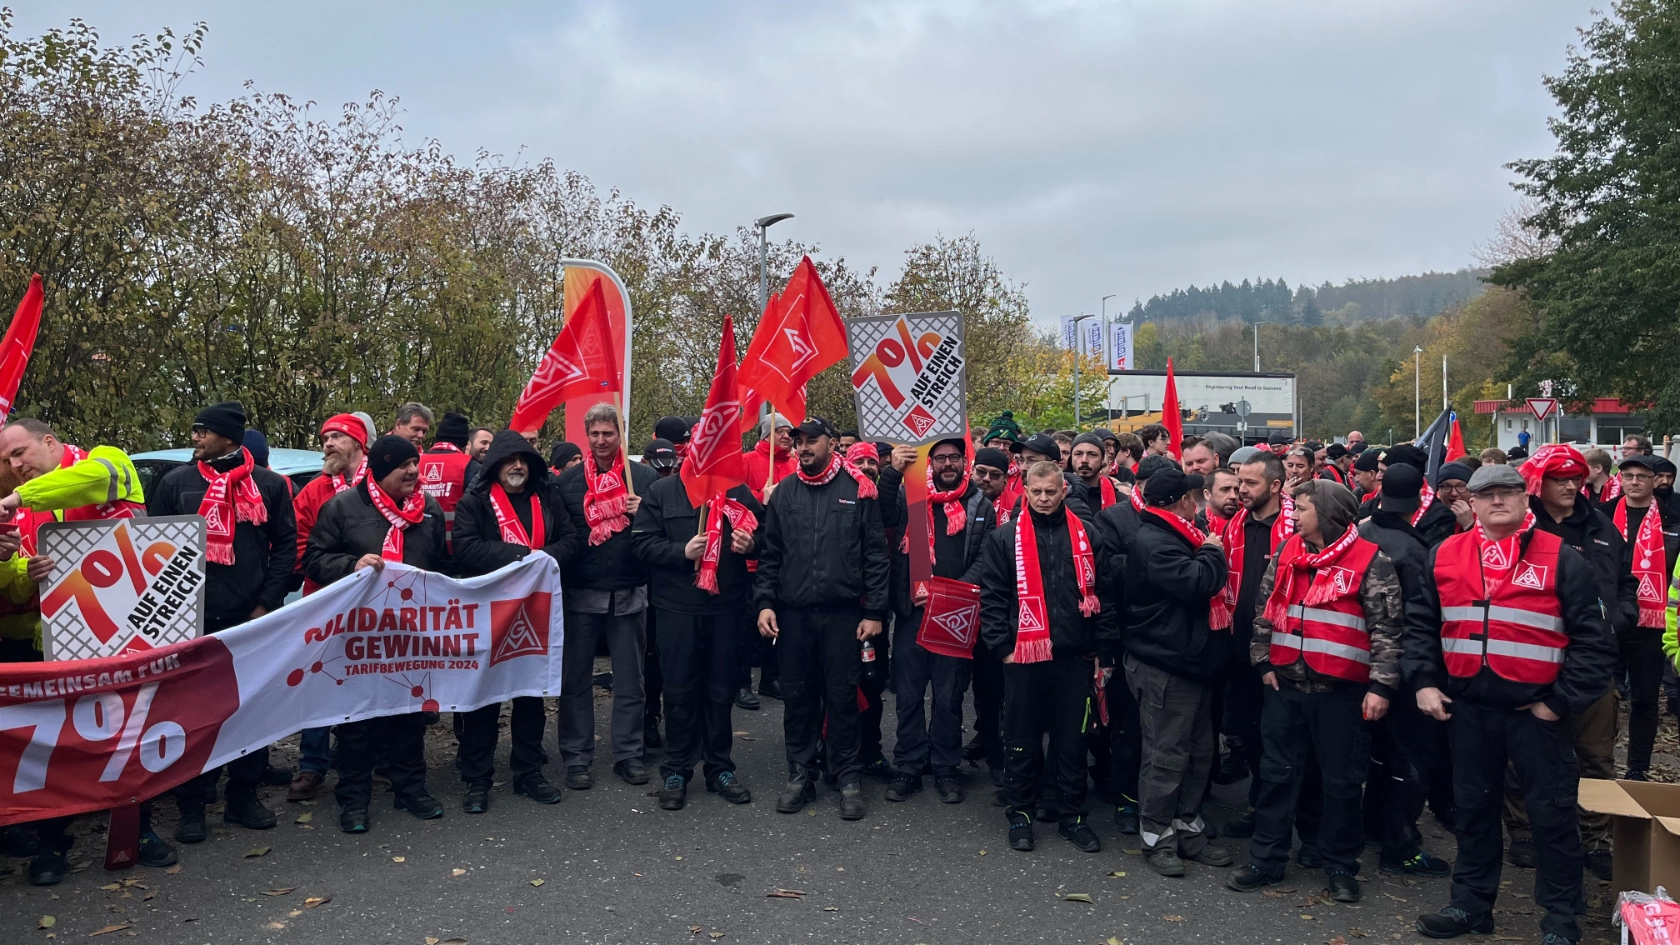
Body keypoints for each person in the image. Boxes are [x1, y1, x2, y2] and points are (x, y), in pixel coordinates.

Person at [1403, 464, 1615, 944]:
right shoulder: (1443, 555)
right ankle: (1470, 906)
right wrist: (1422, 682)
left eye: (1508, 493)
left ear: (1525, 499)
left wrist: (1558, 703)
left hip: (1537, 714)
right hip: (1469, 710)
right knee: (1473, 813)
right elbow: (1420, 626)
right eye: (1487, 494)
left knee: (1552, 816)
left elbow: (1594, 642)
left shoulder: (1563, 558)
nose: (1497, 501)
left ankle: (1561, 920)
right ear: (1471, 504)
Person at [0, 419, 171, 883]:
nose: (14, 467)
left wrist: (20, 497)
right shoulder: (24, 515)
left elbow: (96, 482)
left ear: (51, 442)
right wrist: (15, 568)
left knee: (130, 738)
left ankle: (142, 832)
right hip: (56, 649)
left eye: (20, 453)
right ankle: (52, 845)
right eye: (7, 462)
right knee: (56, 750)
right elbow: (15, 587)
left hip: (127, 642)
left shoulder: (107, 460)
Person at [1227, 481, 1402, 903]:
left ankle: (1339, 865)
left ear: (1325, 514)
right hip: (1285, 685)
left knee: (1341, 784)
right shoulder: (1288, 551)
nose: (1294, 516)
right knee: (1276, 776)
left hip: (1341, 693)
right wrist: (1263, 660)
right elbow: (1265, 608)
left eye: (1301, 509)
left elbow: (1388, 629)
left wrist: (1381, 686)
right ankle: (1266, 860)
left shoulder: (1371, 560)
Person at [148, 402, 297, 842]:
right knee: (191, 719)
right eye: (194, 430)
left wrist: (266, 605)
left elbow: (286, 547)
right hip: (188, 623)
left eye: (203, 432)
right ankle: (192, 806)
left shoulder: (269, 485)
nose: (195, 437)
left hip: (249, 621)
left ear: (229, 438)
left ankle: (243, 799)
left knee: (250, 711)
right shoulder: (176, 483)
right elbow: (149, 547)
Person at [304, 435, 450, 833]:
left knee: (409, 718)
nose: (413, 472)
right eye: (404, 465)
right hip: (359, 637)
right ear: (383, 467)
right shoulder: (343, 507)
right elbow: (313, 558)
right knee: (358, 724)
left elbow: (443, 566)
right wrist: (351, 565)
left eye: (415, 465)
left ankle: (411, 790)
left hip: (411, 636)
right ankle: (353, 800)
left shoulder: (429, 510)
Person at [1501, 445, 1629, 881]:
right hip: (1531, 661)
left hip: (1593, 662)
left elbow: (1626, 581)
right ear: (1540, 483)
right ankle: (1521, 830)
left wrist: (1619, 618)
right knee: (1523, 755)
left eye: (1576, 478)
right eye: (1561, 478)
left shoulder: (1601, 527)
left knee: (1595, 755)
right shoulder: (1518, 528)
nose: (1572, 486)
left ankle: (1595, 836)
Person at [974, 458, 1114, 853]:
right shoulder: (1004, 538)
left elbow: (1105, 598)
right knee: (1021, 738)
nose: (1043, 499)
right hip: (1023, 657)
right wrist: (1002, 649)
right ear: (1026, 492)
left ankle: (1073, 816)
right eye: (1036, 492)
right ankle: (1020, 813)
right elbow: (994, 598)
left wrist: (1104, 651)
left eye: (1051, 491)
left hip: (1074, 657)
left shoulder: (1087, 534)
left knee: (1073, 741)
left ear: (1063, 490)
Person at [755, 418, 890, 821]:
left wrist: (875, 612)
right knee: (798, 698)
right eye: (798, 441)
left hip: (842, 615)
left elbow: (875, 556)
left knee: (843, 697)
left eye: (811, 440)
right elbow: (771, 555)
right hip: (794, 616)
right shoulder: (785, 494)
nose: (803, 447)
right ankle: (800, 774)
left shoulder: (859, 490)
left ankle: (847, 776)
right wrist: (764, 602)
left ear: (831, 443)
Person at [451, 431, 581, 812]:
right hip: (489, 615)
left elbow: (574, 540)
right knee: (483, 700)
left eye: (525, 461)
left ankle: (528, 773)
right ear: (496, 465)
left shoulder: (547, 496)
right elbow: (465, 547)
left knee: (530, 697)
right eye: (511, 461)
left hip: (537, 613)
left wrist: (545, 557)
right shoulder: (475, 501)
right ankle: (477, 780)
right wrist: (522, 556)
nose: (518, 467)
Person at [630, 447, 761, 811]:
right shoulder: (662, 491)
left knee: (720, 690)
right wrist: (680, 551)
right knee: (679, 690)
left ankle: (720, 767)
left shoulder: (738, 493)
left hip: (727, 608)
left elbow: (767, 539)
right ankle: (677, 768)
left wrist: (753, 544)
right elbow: (641, 543)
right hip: (677, 610)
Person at [1124, 465, 1233, 876]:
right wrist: (1212, 550)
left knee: (1200, 752)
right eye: (1196, 498)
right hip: (1166, 664)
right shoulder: (1156, 541)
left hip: (1192, 663)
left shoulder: (1171, 533)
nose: (1200, 505)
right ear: (1183, 501)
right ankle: (1157, 834)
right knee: (1166, 755)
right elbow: (1198, 583)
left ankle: (1188, 823)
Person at [879, 437, 994, 804]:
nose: (947, 464)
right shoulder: (910, 495)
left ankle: (945, 766)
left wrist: (953, 592)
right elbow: (881, 512)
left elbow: (985, 557)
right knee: (909, 695)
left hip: (954, 614)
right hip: (912, 612)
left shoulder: (979, 504)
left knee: (949, 696)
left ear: (964, 462)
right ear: (931, 463)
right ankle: (909, 765)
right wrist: (891, 472)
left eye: (954, 458)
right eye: (940, 457)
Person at [554, 403, 660, 789]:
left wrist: (645, 512)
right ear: (587, 436)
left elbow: (663, 532)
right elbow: (560, 536)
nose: (601, 441)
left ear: (621, 434)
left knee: (631, 681)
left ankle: (629, 754)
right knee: (575, 681)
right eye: (595, 434)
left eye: (608, 434)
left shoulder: (645, 480)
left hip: (631, 589)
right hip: (581, 592)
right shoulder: (566, 484)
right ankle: (577, 758)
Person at [1356, 464, 1454, 879]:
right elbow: (1416, 620)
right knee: (1408, 760)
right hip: (1399, 667)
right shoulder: (1414, 551)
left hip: (1362, 662)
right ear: (1420, 500)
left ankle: (1373, 826)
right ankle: (1400, 844)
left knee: (1378, 756)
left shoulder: (1360, 534)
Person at [287, 412, 371, 802]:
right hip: (322, 599)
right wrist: (342, 571)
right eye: (325, 437)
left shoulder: (378, 485)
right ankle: (312, 765)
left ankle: (370, 759)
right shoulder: (312, 492)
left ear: (358, 443)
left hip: (374, 603)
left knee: (369, 675)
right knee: (318, 680)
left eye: (337, 437)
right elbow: (300, 547)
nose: (328, 444)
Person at [1212, 451, 1292, 833]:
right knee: (1250, 735)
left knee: (1280, 739)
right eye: (1238, 482)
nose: (1240, 491)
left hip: (1281, 654)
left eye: (1250, 483)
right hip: (1238, 649)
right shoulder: (1235, 526)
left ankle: (1285, 817)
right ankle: (1261, 809)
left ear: (1275, 487)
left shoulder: (1294, 528)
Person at [1603, 453, 1679, 780]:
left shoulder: (1673, 521)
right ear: (1619, 479)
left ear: (1654, 480)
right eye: (1628, 475)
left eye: (1641, 476)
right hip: (1608, 620)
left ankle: (1637, 768)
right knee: (1600, 697)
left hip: (1652, 624)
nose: (1634, 481)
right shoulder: (1601, 517)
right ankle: (1597, 760)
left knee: (1645, 699)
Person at [962, 447, 1017, 777]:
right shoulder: (961, 504)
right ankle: (986, 736)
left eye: (993, 475)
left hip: (1006, 612)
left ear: (1005, 477)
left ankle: (1005, 752)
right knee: (982, 684)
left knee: (1005, 686)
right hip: (971, 610)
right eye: (980, 472)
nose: (985, 479)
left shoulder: (1016, 508)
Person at [418, 411, 480, 551]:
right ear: (465, 443)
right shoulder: (471, 466)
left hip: (419, 549)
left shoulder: (414, 462)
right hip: (456, 550)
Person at [743, 413, 796, 500]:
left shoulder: (795, 464)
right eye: (779, 431)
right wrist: (762, 496)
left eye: (789, 432)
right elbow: (734, 497)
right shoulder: (745, 461)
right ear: (765, 435)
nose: (786, 436)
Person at [1069, 433, 1123, 511]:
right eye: (1078, 454)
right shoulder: (1058, 495)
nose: (1084, 460)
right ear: (1071, 458)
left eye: (1092, 454)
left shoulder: (1120, 501)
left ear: (1102, 460)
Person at [1433, 462, 1476, 534]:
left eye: (1461, 486)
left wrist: (1469, 524)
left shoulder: (1484, 516)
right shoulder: (1428, 518)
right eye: (1446, 486)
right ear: (1438, 490)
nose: (1454, 493)